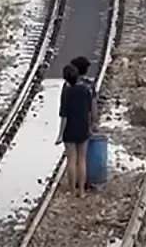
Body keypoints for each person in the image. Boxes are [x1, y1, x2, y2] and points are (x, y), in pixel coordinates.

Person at [56, 63, 93, 198]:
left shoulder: (66, 92)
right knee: (82, 160)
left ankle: (72, 191)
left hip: (70, 129)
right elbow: (89, 111)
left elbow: (64, 115)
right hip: (83, 128)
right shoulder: (85, 90)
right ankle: (82, 191)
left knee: (71, 160)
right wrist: (89, 127)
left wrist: (60, 134)